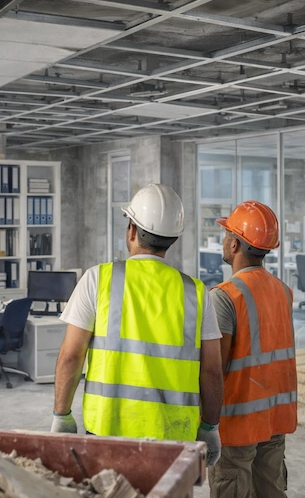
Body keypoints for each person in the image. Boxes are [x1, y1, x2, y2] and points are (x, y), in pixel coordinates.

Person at [50, 184, 225, 466]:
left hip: (107, 428)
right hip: (174, 434)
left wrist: (62, 416)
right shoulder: (196, 292)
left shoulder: (98, 279)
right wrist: (210, 427)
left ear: (132, 230)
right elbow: (212, 371)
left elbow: (71, 356)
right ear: (173, 239)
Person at [208, 201, 297, 498]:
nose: (223, 241)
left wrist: (205, 423)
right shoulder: (283, 290)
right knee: (271, 491)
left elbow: (214, 370)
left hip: (237, 426)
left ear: (234, 244)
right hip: (274, 418)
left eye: (225, 235)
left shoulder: (225, 297)